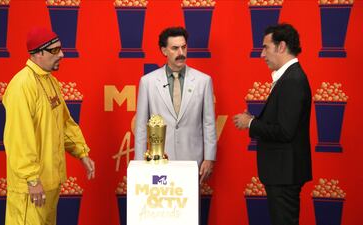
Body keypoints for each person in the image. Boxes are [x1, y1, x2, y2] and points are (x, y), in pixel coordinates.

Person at [3, 27, 95, 225]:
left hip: (50, 182)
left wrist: (82, 152)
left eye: (60, 49)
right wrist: (32, 179)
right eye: (54, 50)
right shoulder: (22, 86)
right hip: (31, 187)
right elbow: (19, 138)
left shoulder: (50, 81)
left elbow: (64, 123)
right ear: (38, 53)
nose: (61, 54)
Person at [233, 23, 312, 225]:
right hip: (282, 172)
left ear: (281, 46)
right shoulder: (289, 76)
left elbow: (285, 131)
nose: (262, 54)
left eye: (266, 47)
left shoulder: (292, 79)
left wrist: (250, 123)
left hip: (284, 173)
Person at [134, 26, 217, 183]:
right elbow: (140, 127)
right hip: (158, 162)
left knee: (190, 207)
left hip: (193, 162)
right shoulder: (148, 82)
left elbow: (209, 123)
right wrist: (139, 165)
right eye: (175, 48)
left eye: (183, 47)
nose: (181, 53)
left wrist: (209, 158)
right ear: (164, 51)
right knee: (161, 207)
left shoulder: (203, 81)